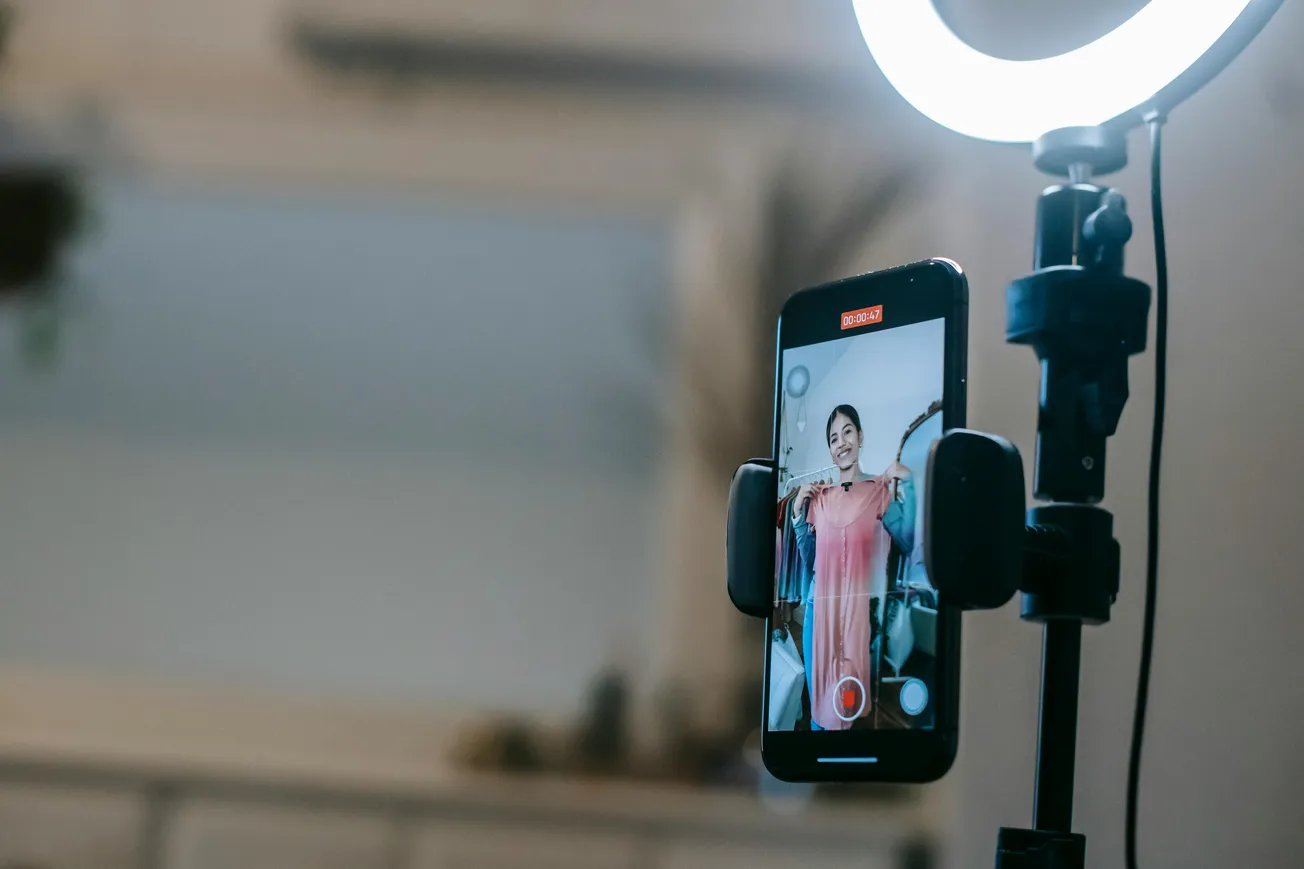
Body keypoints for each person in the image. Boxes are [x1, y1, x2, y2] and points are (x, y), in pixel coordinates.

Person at [791, 404, 915, 730]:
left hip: (857, 612)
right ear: (830, 452)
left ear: (860, 437)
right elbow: (809, 557)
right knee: (819, 703)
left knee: (847, 702)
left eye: (847, 432)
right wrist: (797, 517)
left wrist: (910, 484)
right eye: (833, 438)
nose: (841, 442)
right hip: (820, 611)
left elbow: (906, 537)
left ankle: (841, 769)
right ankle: (819, 767)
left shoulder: (878, 492)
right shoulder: (819, 498)